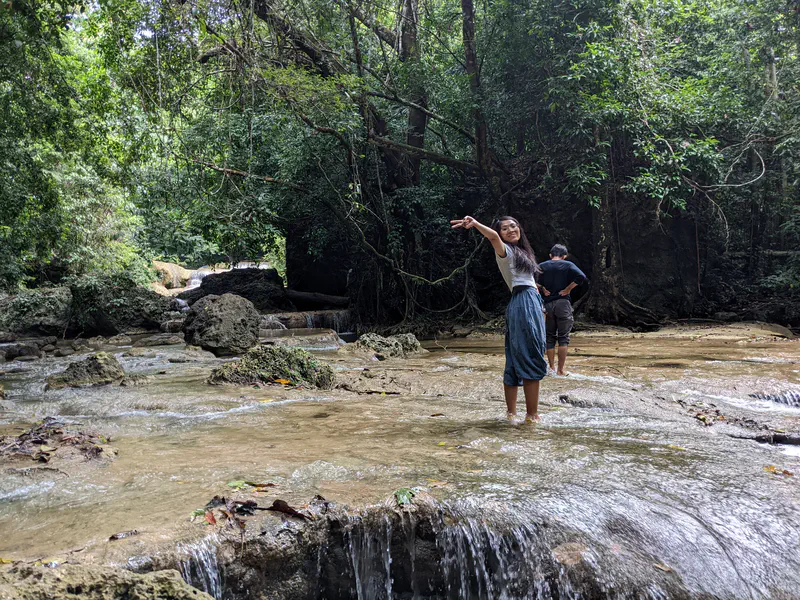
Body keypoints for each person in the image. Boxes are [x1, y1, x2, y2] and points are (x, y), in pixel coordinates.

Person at [450, 215, 548, 423]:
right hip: (523, 302)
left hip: (526, 302)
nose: (511, 230)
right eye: (505, 229)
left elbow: (529, 283)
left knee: (515, 354)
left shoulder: (521, 253)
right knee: (531, 352)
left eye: (514, 226)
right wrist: (475, 224)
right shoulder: (505, 251)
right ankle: (532, 415)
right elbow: (493, 238)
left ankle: (511, 414)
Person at [537, 244, 586, 376]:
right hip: (563, 303)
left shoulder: (542, 266)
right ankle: (561, 370)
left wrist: (542, 288)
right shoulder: (568, 265)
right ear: (564, 256)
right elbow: (581, 277)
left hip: (547, 305)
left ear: (550, 255)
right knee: (563, 338)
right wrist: (568, 289)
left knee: (550, 337)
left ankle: (551, 367)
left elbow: (529, 279)